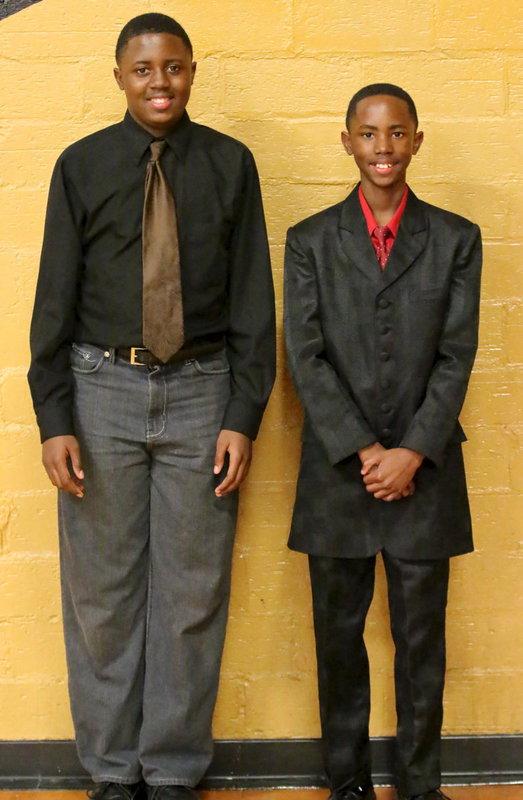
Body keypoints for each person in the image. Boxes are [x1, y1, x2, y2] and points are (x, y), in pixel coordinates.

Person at [28, 13, 275, 800]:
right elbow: (52, 300)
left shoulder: (231, 165)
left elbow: (251, 303)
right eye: (142, 70)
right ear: (119, 78)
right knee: (101, 595)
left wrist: (242, 413)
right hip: (101, 387)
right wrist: (54, 417)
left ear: (193, 72)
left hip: (202, 391)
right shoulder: (82, 166)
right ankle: (109, 770)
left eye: (172, 67)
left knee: (191, 595)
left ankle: (169, 772)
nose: (159, 82)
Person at [284, 84, 482, 800]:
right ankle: (347, 784)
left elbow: (455, 353)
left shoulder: (456, 238)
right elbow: (303, 353)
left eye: (396, 134)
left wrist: (410, 452)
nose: (382, 149)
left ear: (416, 141)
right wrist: (365, 451)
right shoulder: (309, 240)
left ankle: (420, 783)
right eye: (367, 135)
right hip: (340, 472)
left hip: (423, 470)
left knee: (420, 643)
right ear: (346, 143)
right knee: (338, 642)